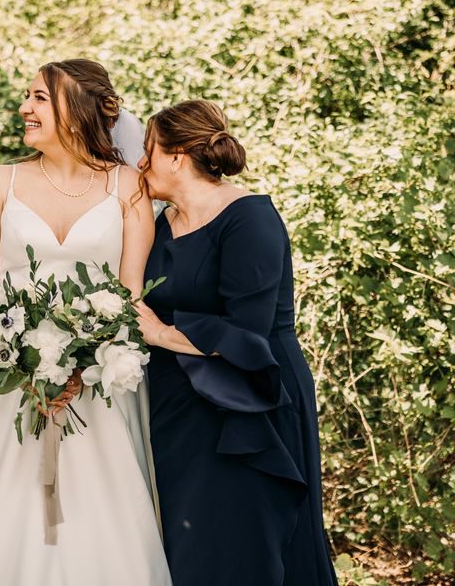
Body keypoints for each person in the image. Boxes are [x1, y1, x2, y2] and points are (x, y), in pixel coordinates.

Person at [0, 60, 171, 586]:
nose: (25, 108)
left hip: (101, 385)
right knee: (4, 512)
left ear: (77, 108)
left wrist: (83, 366)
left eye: (39, 98)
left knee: (103, 516)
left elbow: (131, 297)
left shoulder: (129, 186)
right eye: (28, 97)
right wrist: (26, 365)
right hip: (9, 385)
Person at [135, 99, 339, 585]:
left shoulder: (249, 218)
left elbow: (246, 330)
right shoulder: (160, 223)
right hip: (179, 403)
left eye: (149, 151)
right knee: (192, 540)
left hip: (250, 397)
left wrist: (161, 333)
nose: (141, 164)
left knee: (249, 537)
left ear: (177, 157)